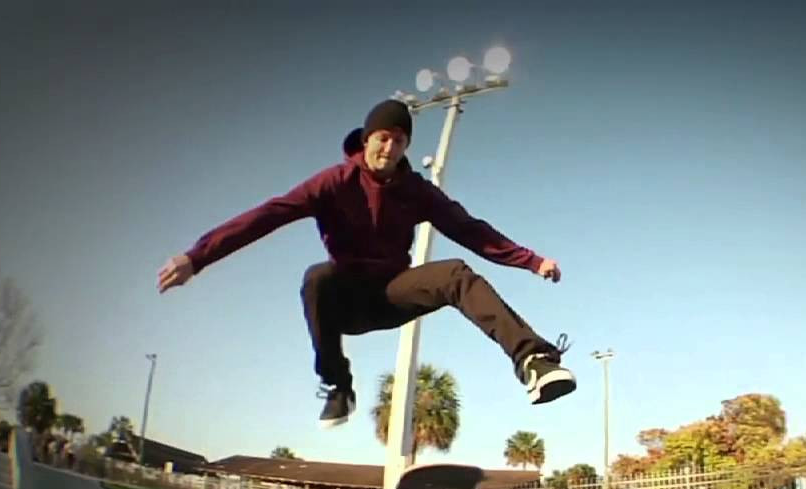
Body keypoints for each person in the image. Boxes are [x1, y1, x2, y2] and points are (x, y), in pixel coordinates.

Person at [157, 99, 576, 427]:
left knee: (455, 274)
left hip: (394, 294)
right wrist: (198, 256)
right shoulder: (332, 183)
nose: (389, 148)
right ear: (365, 140)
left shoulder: (416, 190)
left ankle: (533, 361)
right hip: (347, 300)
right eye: (382, 138)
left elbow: (471, 230)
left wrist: (532, 260)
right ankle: (338, 384)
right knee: (317, 278)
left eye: (399, 141)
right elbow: (267, 215)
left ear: (406, 146)